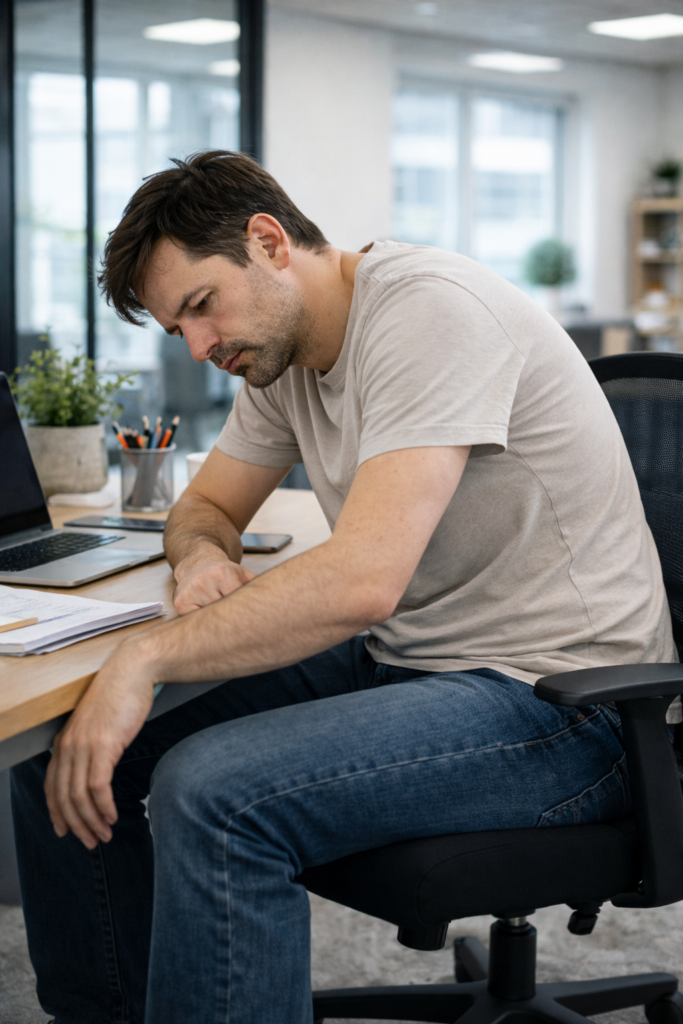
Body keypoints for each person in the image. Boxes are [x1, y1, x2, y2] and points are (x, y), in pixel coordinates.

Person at [11, 150, 675, 1024]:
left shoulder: (429, 312)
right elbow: (206, 504)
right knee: (69, 742)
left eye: (200, 306)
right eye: (179, 332)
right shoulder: (278, 356)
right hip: (414, 663)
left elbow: (362, 581)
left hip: (566, 705)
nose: (202, 348)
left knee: (214, 793)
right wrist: (205, 556)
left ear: (268, 240)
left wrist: (147, 655)